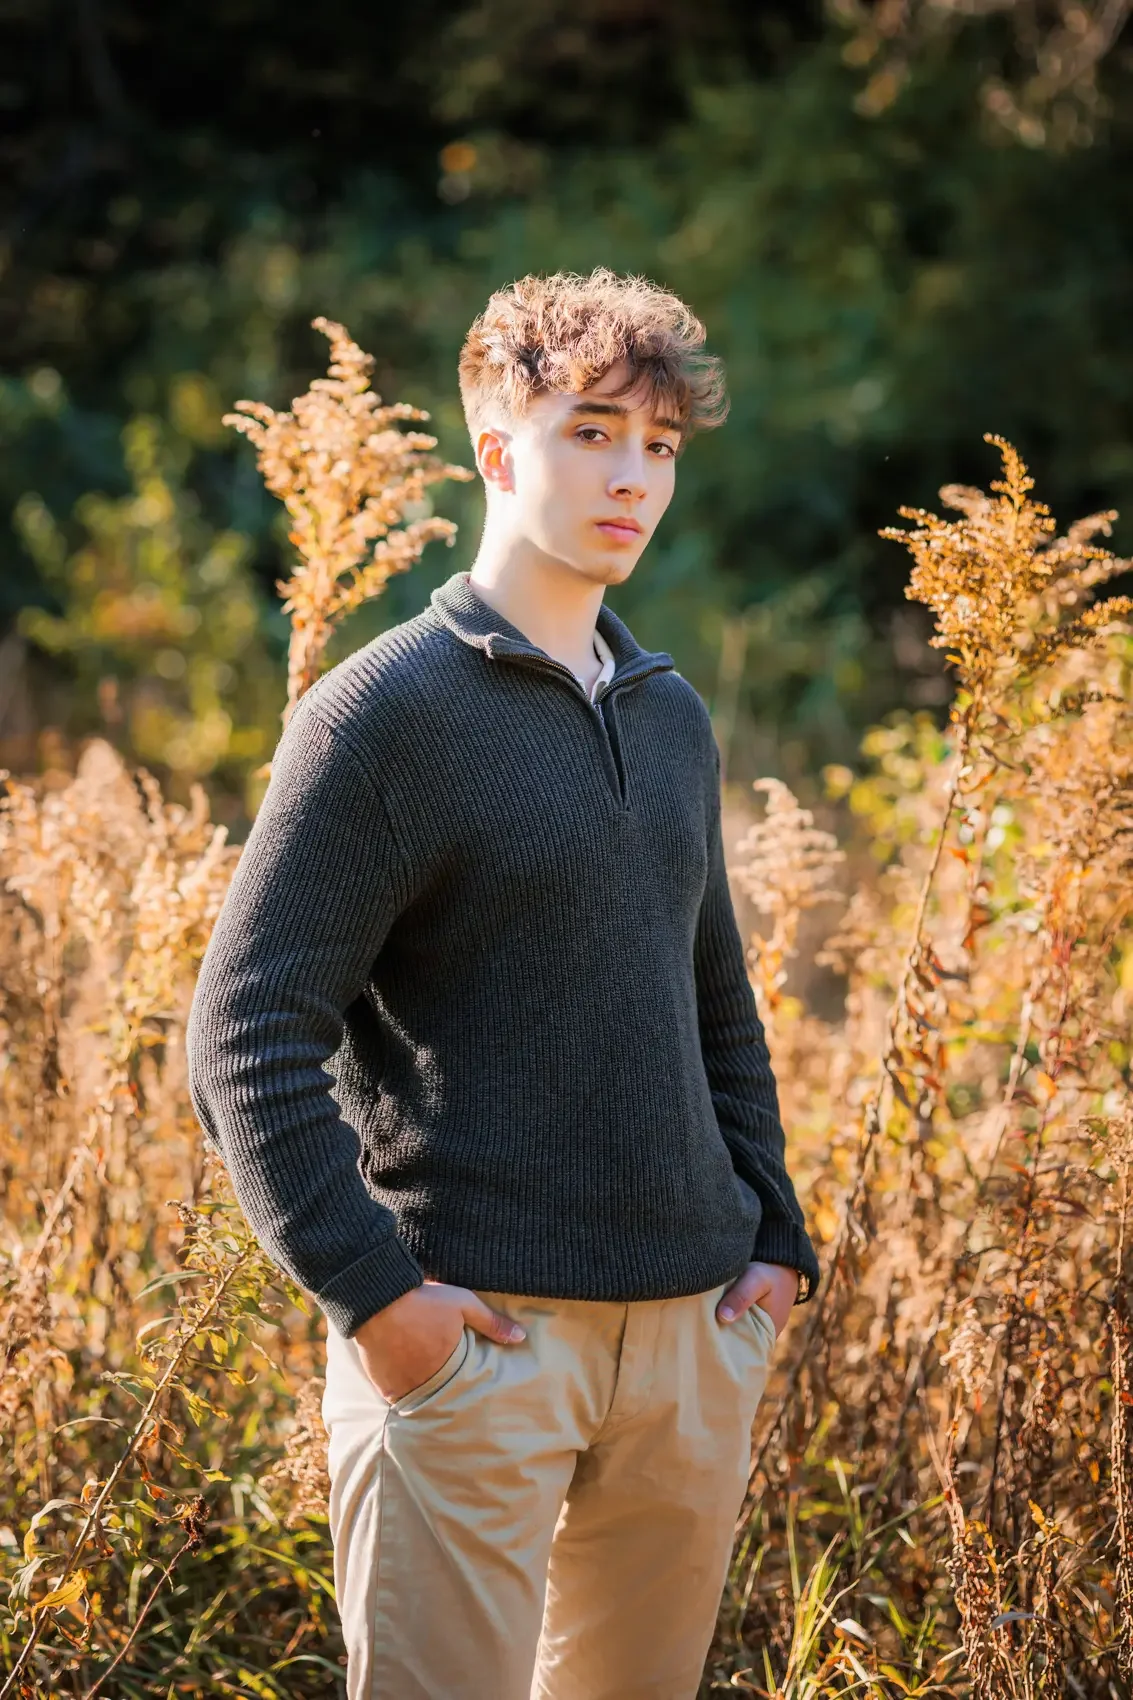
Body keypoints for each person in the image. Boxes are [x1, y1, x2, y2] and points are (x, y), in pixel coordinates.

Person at [186, 266, 820, 1700]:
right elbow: (244, 1030)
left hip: (691, 1339)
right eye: (592, 432)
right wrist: (377, 1300)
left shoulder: (670, 714)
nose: (633, 477)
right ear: (496, 450)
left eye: (660, 445)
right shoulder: (382, 714)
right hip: (475, 1343)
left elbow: (714, 999)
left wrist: (774, 1241)